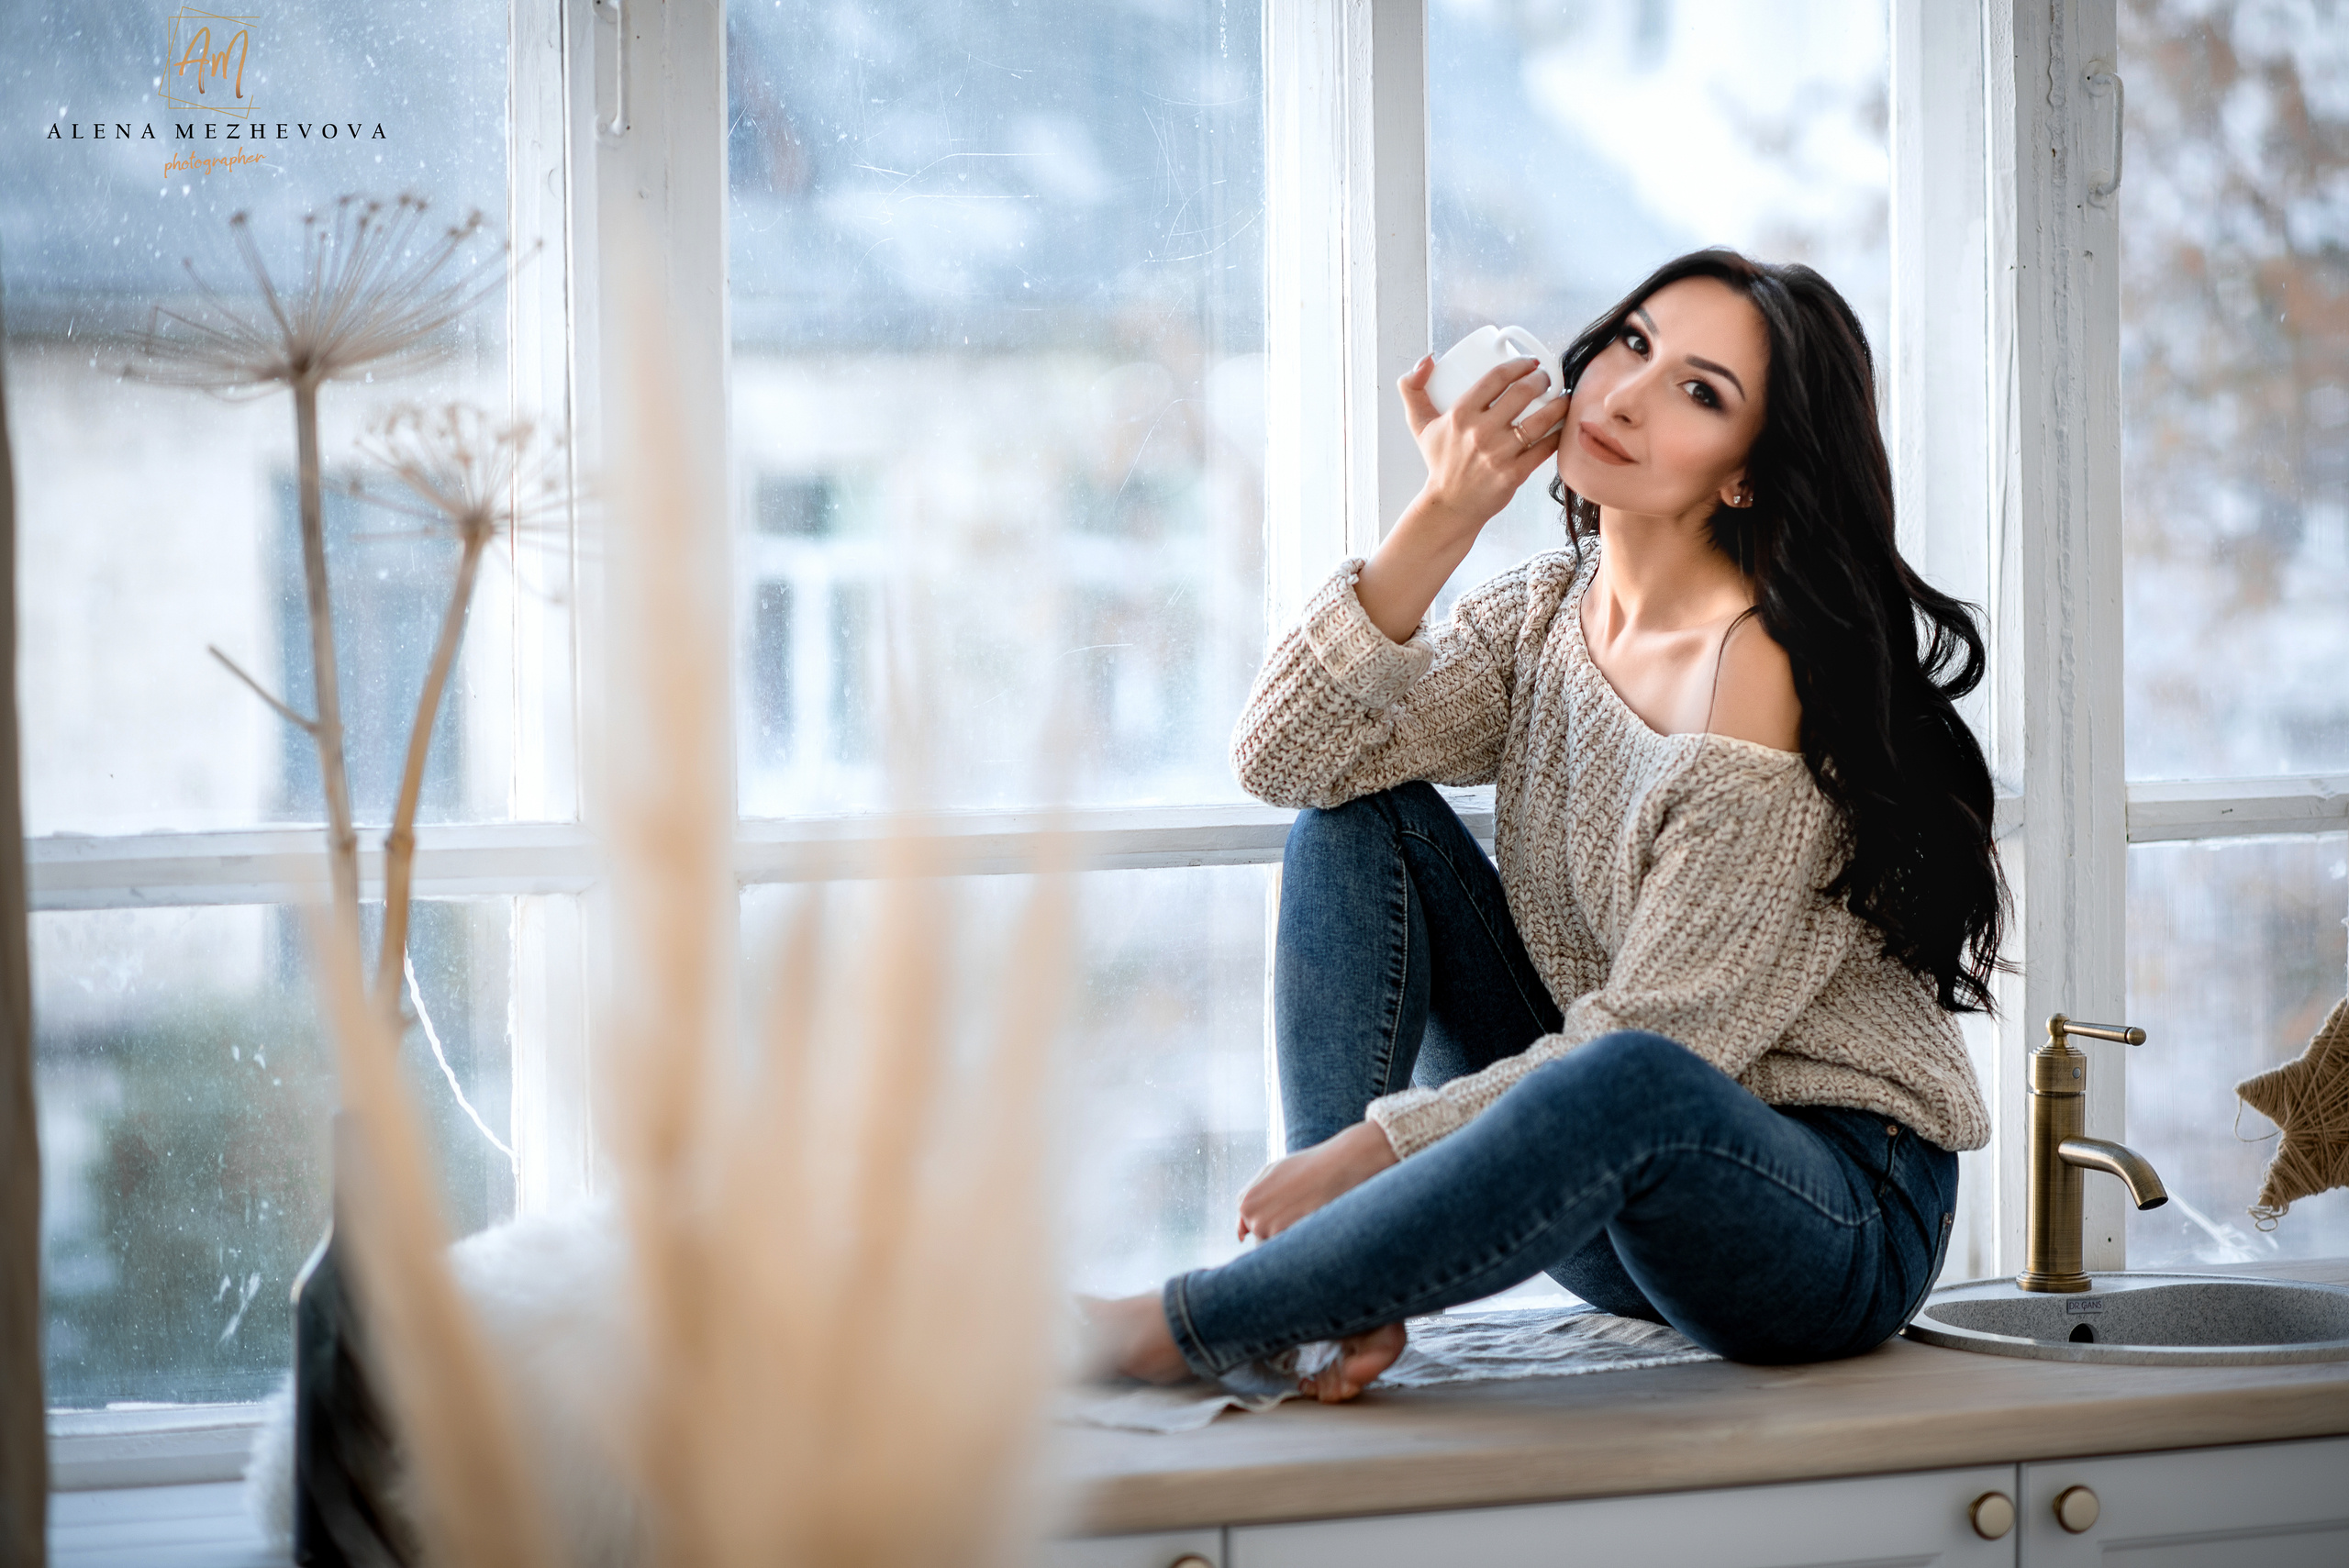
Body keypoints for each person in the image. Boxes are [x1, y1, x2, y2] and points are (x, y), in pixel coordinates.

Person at [1083, 250, 2002, 1401]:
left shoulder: (1762, 684)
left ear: (1747, 479)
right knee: (1361, 818)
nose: (1625, 393)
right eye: (1632, 342)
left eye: (1699, 392)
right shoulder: (1546, 619)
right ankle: (1337, 1290)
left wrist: (1369, 1147)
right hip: (1604, 1185)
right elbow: (1289, 759)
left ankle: (1188, 1323)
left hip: (1824, 1219)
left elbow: (1660, 1054)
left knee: (1631, 1070)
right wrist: (1447, 510)